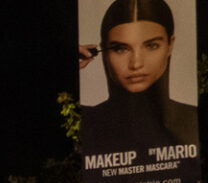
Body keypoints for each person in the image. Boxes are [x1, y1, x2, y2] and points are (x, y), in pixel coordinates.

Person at [78, 0, 196, 157]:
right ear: (104, 51)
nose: (136, 63)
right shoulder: (85, 123)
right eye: (120, 49)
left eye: (151, 46)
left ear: (170, 45)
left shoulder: (194, 119)